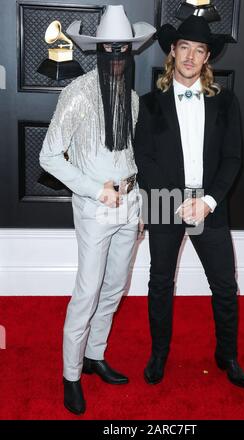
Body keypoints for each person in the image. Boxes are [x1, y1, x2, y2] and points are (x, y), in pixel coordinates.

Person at [39, 5, 155, 415]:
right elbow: (48, 156)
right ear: (99, 51)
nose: (118, 56)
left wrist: (137, 205)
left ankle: (94, 355)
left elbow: (129, 157)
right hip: (94, 206)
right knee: (88, 291)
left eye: (125, 50)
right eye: (110, 49)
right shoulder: (78, 94)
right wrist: (94, 189)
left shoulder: (135, 98)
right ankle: (71, 374)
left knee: (114, 288)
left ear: (132, 51)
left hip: (130, 203)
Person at [134, 15, 244, 389]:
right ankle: (159, 354)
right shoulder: (151, 103)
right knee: (159, 282)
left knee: (225, 285)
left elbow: (233, 158)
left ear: (206, 58)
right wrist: (172, 201)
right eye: (184, 47)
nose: (190, 56)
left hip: (209, 205)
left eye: (198, 50)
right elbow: (144, 157)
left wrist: (209, 201)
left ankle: (227, 355)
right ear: (173, 51)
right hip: (164, 200)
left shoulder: (226, 102)